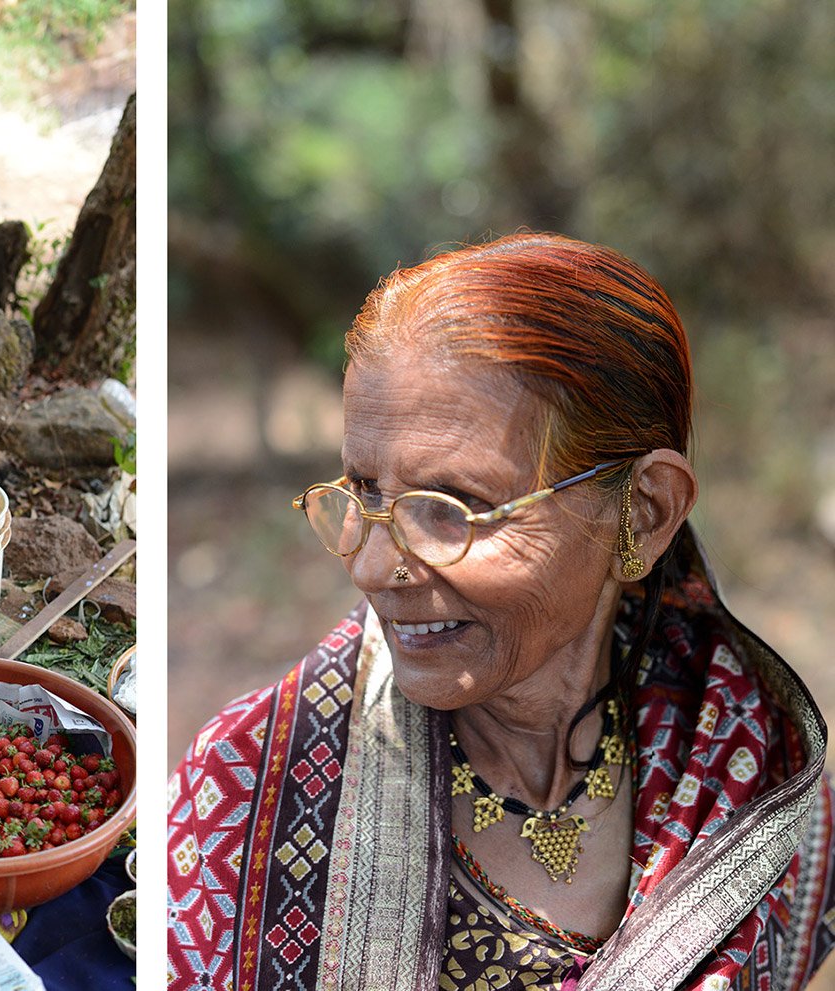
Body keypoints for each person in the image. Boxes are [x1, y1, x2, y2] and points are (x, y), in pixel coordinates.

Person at [167, 233, 835, 990]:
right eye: (364, 493)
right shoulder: (248, 792)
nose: (374, 566)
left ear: (645, 513)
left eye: (452, 508)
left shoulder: (742, 767)